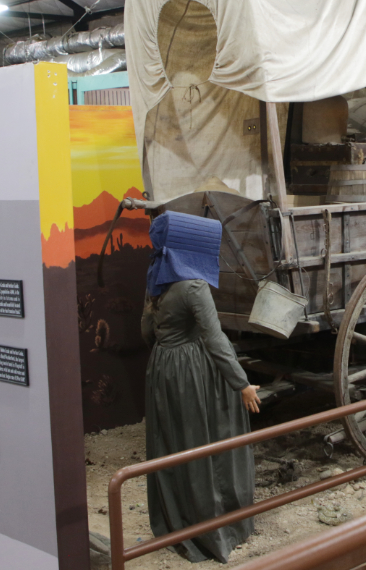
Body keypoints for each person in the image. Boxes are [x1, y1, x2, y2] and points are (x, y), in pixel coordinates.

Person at [141, 211, 261, 563]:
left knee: (173, 441)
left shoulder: (154, 279)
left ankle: (176, 520)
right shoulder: (194, 286)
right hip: (191, 370)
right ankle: (215, 530)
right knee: (204, 441)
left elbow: (145, 333)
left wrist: (168, 349)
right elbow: (216, 340)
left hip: (162, 368)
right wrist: (242, 385)